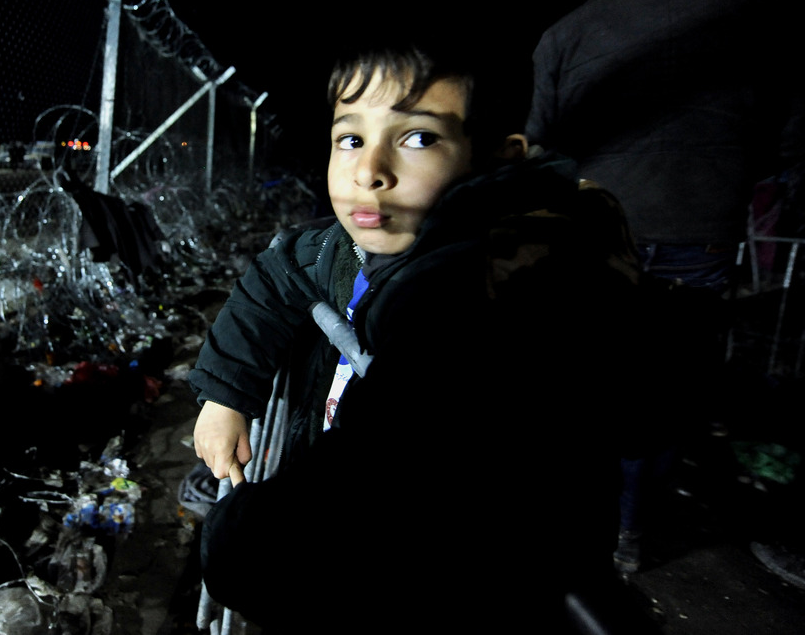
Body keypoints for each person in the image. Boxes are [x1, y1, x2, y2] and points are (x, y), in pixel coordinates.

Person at [189, 44, 662, 632]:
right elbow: (278, 271)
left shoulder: (490, 295)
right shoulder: (357, 245)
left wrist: (238, 536)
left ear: (493, 159)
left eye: (418, 138)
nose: (369, 172)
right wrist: (226, 393)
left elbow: (376, 488)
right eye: (351, 139)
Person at [527, 0, 804, 573]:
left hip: (599, 238)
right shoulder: (760, 8)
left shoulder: (568, 31)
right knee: (667, 391)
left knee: (590, 382)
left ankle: (578, 528)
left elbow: (542, 148)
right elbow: (790, 139)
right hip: (700, 234)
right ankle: (629, 534)